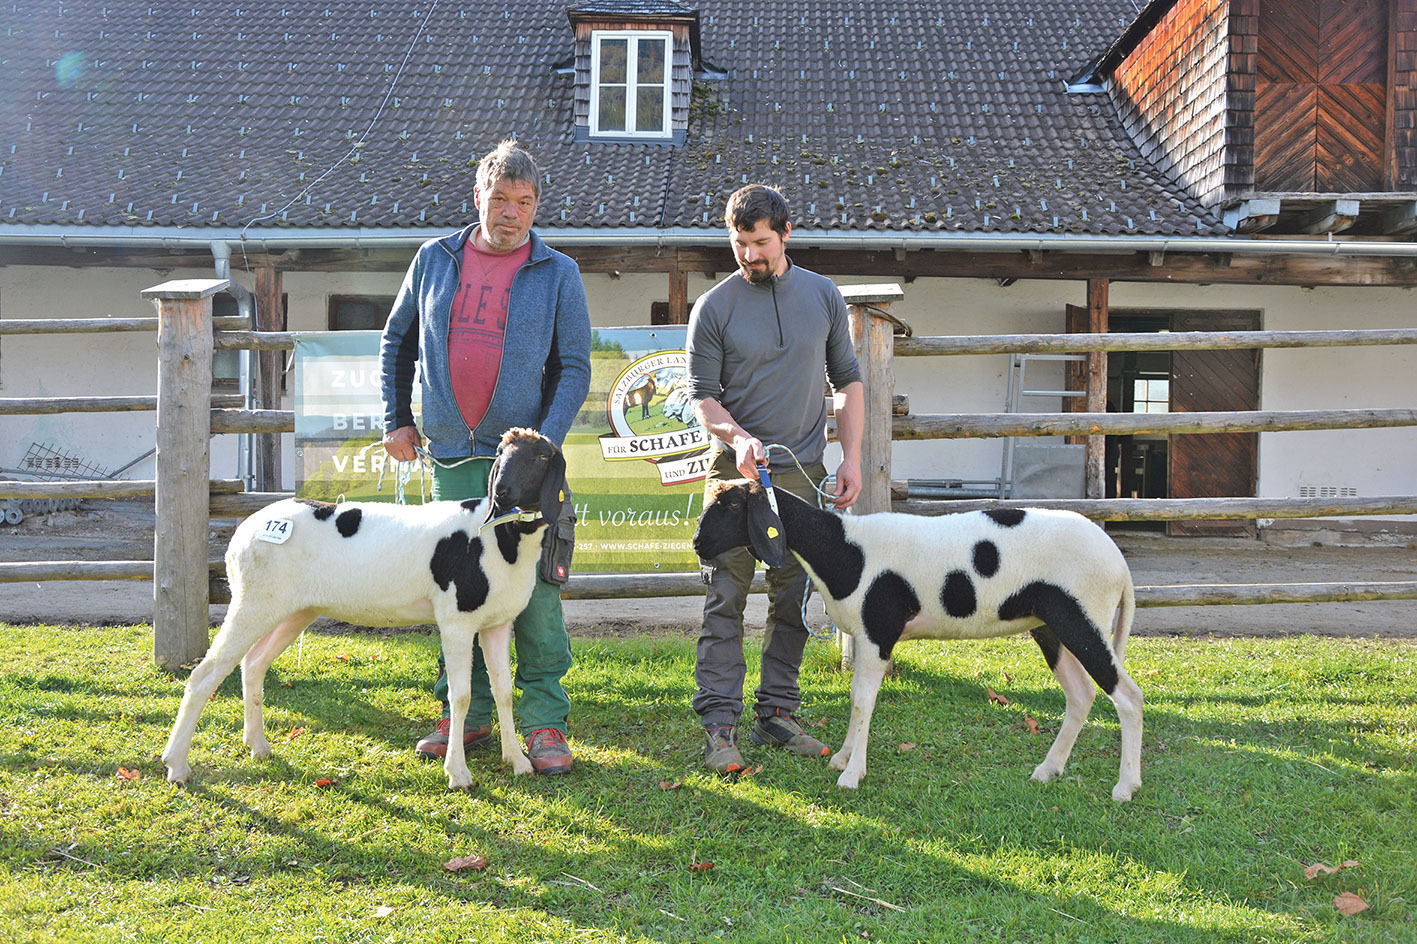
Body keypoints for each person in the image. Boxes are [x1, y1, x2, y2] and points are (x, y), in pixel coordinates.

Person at [380, 139, 591, 775]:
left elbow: (575, 367)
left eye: (524, 202)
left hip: (525, 466)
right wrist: (396, 418)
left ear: (536, 207)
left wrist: (541, 442)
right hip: (449, 454)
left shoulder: (558, 273)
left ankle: (545, 721)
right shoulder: (432, 259)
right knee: (456, 588)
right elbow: (399, 341)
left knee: (535, 588)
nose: (511, 213)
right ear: (478, 196)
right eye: (500, 199)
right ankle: (464, 715)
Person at [686, 183, 865, 774]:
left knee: (794, 596)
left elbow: (849, 381)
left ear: (786, 234)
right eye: (740, 243)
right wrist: (738, 439)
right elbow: (703, 400)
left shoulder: (823, 296)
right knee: (726, 597)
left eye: (760, 242)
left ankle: (778, 712)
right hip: (733, 481)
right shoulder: (714, 307)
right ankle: (719, 724)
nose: (750, 255)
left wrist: (854, 457)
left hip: (805, 476)